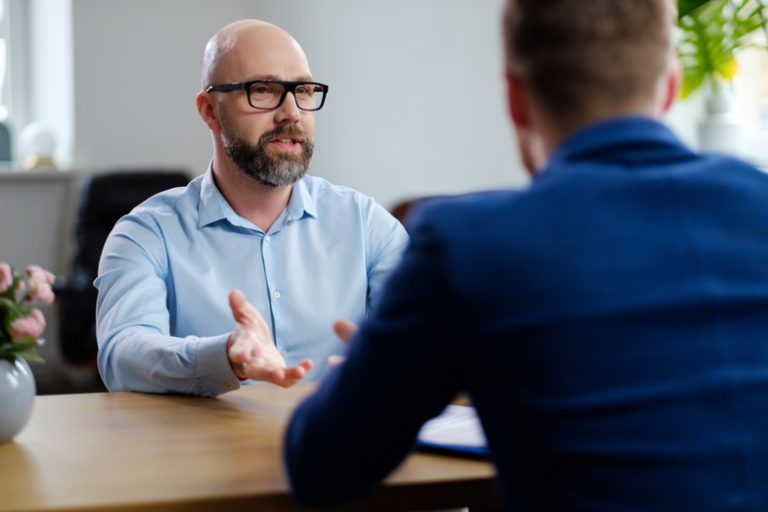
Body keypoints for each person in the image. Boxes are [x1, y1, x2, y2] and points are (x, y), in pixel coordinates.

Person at [283, 0, 768, 509]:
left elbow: (320, 470)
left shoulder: (467, 245)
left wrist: (368, 370)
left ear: (515, 98)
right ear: (670, 85)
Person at [95, 20, 408, 396]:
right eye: (263, 90)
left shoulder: (367, 224)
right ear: (210, 110)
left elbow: (429, 332)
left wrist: (404, 357)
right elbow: (122, 356)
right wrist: (222, 356)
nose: (291, 112)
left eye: (304, 91)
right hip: (201, 451)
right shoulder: (147, 232)